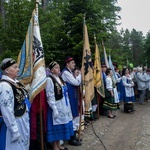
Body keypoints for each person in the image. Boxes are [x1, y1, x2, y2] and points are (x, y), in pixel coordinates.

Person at [0, 58, 30, 150]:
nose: (18, 69)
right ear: (7, 70)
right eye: (15, 67)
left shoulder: (16, 83)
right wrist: (14, 130)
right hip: (14, 122)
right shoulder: (4, 85)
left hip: (22, 120)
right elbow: (6, 110)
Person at [45, 61, 73, 150]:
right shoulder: (49, 79)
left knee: (62, 123)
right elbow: (50, 95)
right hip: (56, 106)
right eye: (56, 68)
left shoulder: (59, 78)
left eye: (59, 67)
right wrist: (54, 108)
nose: (58, 69)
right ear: (52, 70)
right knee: (56, 125)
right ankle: (54, 146)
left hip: (64, 105)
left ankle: (58, 144)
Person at [61, 57, 82, 146]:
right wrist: (80, 75)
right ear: (67, 64)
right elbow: (76, 82)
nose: (74, 64)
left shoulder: (69, 72)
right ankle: (71, 138)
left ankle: (74, 135)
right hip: (69, 98)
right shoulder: (66, 73)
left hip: (73, 96)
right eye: (72, 63)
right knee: (72, 116)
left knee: (74, 116)